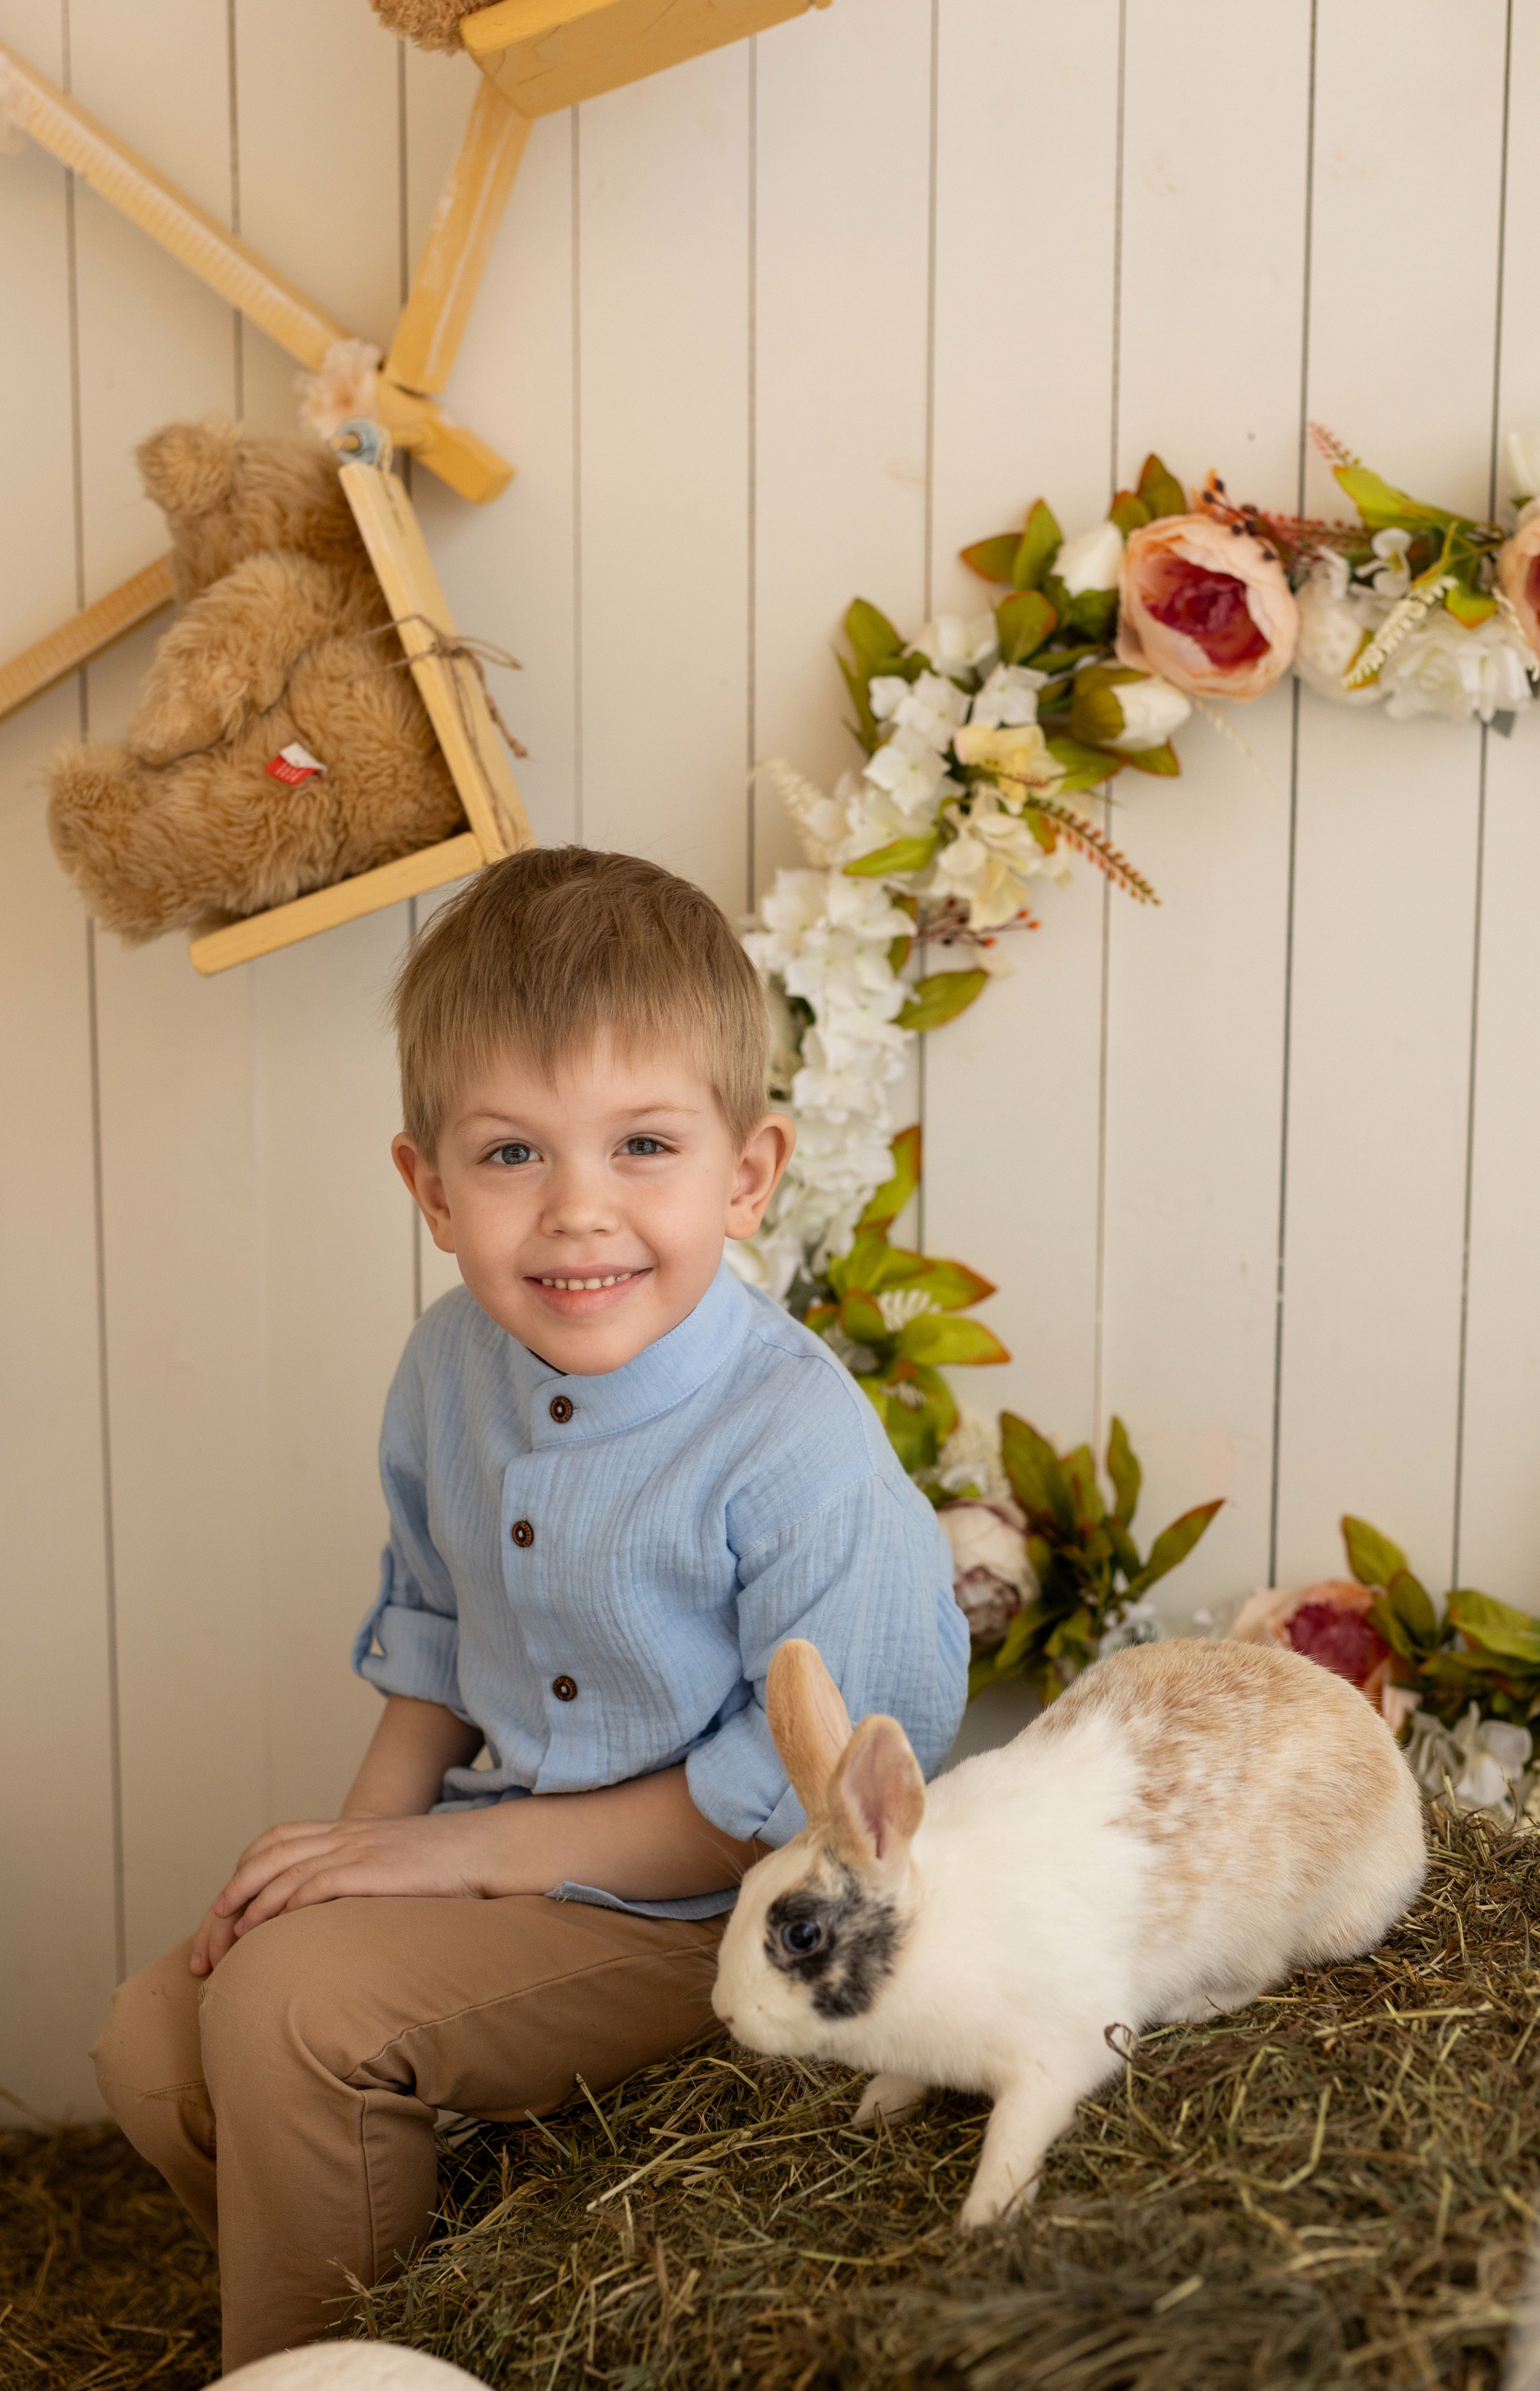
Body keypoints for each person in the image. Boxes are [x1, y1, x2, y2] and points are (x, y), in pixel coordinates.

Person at [92, 846, 967, 2368]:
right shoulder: (450, 1368)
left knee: (298, 2019)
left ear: (745, 1173)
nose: (578, 1213)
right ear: (427, 1186)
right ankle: (405, 2304)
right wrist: (352, 1856)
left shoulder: (796, 1441)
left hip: (715, 1916)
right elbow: (434, 1639)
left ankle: (307, 2371)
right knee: (158, 2037)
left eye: (641, 1146)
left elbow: (789, 1811)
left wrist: (444, 1857)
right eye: (509, 1156)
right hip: (507, 1863)